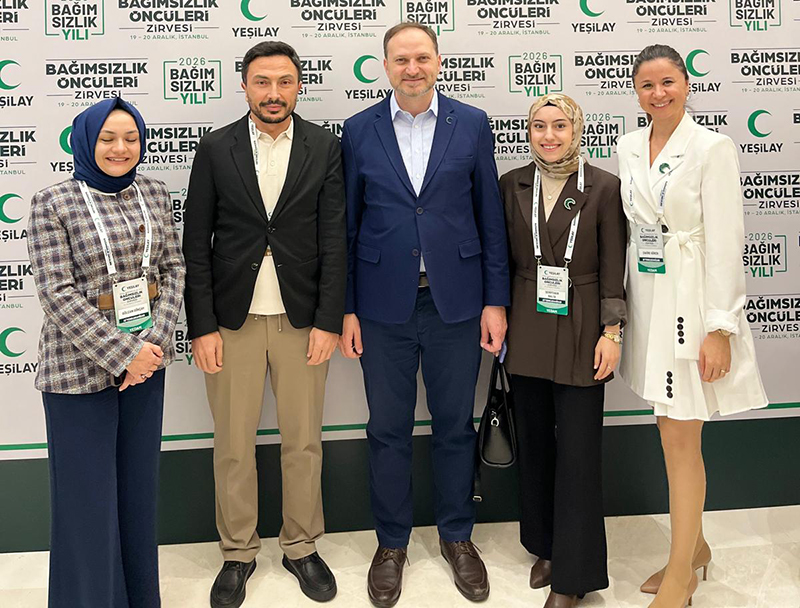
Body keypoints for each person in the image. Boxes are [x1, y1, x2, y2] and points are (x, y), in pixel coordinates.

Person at [339, 22, 510, 608]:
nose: (412, 69)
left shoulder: (472, 123)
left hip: (455, 304)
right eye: (400, 59)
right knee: (386, 430)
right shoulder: (358, 129)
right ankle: (391, 545)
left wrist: (494, 300)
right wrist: (348, 309)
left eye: (421, 58)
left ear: (438, 61)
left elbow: (489, 217)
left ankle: (457, 535)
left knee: (454, 426)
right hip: (381, 307)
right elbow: (347, 226)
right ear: (384, 66)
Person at [182, 41, 346, 607]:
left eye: (284, 82)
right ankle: (237, 552)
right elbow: (195, 243)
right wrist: (202, 326)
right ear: (245, 86)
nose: (273, 94)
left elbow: (335, 239)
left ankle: (301, 546)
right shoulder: (215, 147)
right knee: (233, 444)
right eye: (262, 82)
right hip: (233, 322)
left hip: (303, 320)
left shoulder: (325, 146)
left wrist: (328, 320)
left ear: (298, 86)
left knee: (303, 441)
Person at [617, 44, 769, 608]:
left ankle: (681, 574)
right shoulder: (629, 145)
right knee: (668, 429)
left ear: (686, 83)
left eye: (667, 82)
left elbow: (728, 241)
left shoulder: (712, 147)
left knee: (682, 437)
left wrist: (721, 327)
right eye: (647, 85)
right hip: (650, 298)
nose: (658, 93)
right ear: (636, 93)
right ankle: (695, 546)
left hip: (694, 305)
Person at [27, 97, 185, 607]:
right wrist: (123, 355)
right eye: (108, 139)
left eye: (131, 138)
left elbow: (173, 270)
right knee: (87, 505)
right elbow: (57, 293)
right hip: (77, 373)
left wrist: (151, 346)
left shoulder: (154, 193)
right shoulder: (53, 202)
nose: (121, 148)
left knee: (137, 496)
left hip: (147, 367)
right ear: (85, 143)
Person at [499, 93, 627, 608]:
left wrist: (612, 333)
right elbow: (500, 259)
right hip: (527, 321)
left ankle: (574, 577)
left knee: (578, 451)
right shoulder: (512, 184)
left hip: (583, 324)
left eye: (559, 126)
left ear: (577, 130)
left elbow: (614, 266)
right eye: (538, 126)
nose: (548, 136)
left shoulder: (604, 187)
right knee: (535, 442)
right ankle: (547, 546)